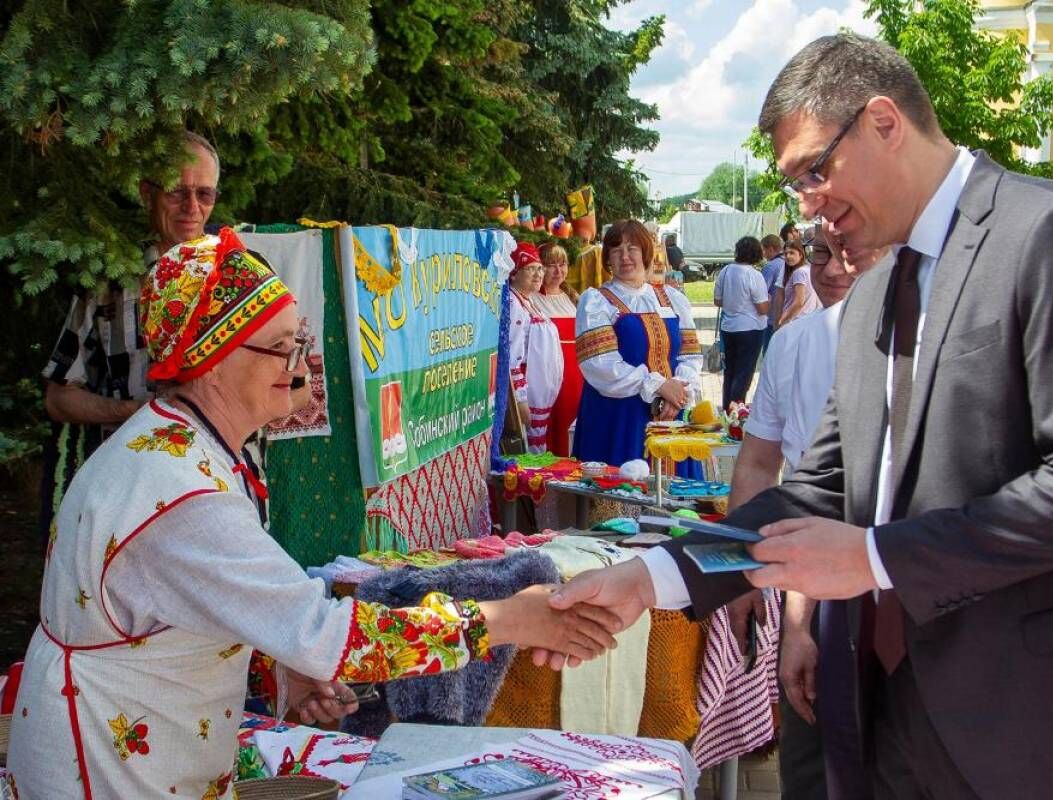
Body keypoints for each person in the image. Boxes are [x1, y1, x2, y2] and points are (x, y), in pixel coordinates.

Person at [541, 33, 1053, 800]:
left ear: (883, 120)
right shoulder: (874, 297)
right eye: (794, 186)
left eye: (814, 171)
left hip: (1035, 722)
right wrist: (653, 577)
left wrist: (875, 558)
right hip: (886, 708)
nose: (809, 204)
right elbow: (815, 493)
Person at [8, 229, 620, 799]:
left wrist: (283, 666)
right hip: (110, 767)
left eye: (300, 340)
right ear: (209, 361)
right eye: (280, 348)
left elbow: (183, 605)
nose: (301, 368)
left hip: (142, 739)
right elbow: (337, 639)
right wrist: (507, 619)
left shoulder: (185, 443)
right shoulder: (180, 490)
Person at [727, 223, 891, 800]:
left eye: (853, 255)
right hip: (814, 580)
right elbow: (757, 465)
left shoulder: (912, 342)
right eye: (821, 254)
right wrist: (735, 569)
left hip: (890, 581)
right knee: (813, 755)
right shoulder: (794, 343)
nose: (833, 270)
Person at [39, 132, 220, 529]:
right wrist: (133, 413)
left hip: (214, 491)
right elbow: (58, 397)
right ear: (147, 193)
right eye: (177, 192)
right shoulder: (108, 284)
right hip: (127, 495)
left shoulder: (235, 278)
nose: (192, 207)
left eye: (204, 194)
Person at [572, 219, 702, 476]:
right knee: (621, 499)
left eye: (632, 248)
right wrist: (659, 386)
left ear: (646, 251)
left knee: (676, 501)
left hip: (671, 414)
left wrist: (677, 391)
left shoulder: (671, 298)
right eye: (616, 249)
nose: (625, 256)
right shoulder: (597, 302)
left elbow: (690, 354)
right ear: (607, 256)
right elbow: (600, 365)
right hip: (619, 416)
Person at [507, 242, 563, 454]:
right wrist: (520, 401)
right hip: (528, 398)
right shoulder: (513, 304)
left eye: (540, 268)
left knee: (536, 450)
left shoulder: (528, 301)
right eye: (530, 268)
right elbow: (513, 357)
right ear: (513, 274)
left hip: (539, 397)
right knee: (528, 453)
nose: (538, 274)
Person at [530, 242, 582, 457]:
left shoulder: (574, 298)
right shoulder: (531, 299)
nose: (558, 271)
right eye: (551, 265)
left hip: (576, 376)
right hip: (547, 376)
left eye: (563, 265)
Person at [713, 236, 768, 409]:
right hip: (751, 328)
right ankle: (736, 411)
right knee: (744, 374)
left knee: (730, 372)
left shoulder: (726, 271)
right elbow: (762, 308)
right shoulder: (754, 275)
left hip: (728, 327)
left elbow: (717, 301)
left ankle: (726, 409)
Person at [776, 237, 822, 327]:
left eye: (792, 253)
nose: (788, 256)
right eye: (786, 254)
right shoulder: (808, 269)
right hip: (806, 320)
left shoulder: (799, 272)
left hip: (794, 322)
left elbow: (799, 302)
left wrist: (781, 321)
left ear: (801, 255)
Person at [759, 234, 785, 354]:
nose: (763, 254)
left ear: (770, 249)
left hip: (771, 318)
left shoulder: (770, 266)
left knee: (768, 353)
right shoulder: (787, 263)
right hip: (785, 315)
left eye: (763, 250)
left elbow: (761, 291)